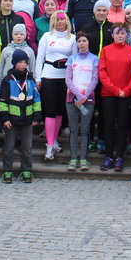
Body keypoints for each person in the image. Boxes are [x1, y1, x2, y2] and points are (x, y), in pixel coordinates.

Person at [34, 9, 77, 160]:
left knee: (60, 111)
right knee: (50, 111)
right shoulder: (47, 36)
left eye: (63, 19)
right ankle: (50, 144)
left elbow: (74, 60)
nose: (60, 22)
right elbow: (39, 58)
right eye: (57, 20)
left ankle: (54, 140)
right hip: (49, 76)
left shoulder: (72, 38)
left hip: (64, 77)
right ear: (53, 21)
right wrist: (38, 78)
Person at [0, 49, 41, 184]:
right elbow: (3, 101)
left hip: (28, 118)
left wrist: (36, 116)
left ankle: (26, 169)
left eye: (25, 62)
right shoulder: (7, 80)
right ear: (14, 63)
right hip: (12, 119)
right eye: (20, 62)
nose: (23, 65)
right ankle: (7, 171)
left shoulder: (30, 79)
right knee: (9, 146)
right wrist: (5, 118)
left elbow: (36, 99)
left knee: (27, 147)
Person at [98, 25, 131, 172]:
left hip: (125, 94)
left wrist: (127, 90)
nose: (120, 36)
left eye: (123, 33)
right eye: (118, 33)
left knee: (122, 126)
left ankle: (120, 156)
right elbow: (102, 72)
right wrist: (115, 90)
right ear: (113, 35)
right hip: (108, 93)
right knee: (108, 125)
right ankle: (109, 156)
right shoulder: (106, 50)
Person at [65, 32, 99, 171]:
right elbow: (68, 78)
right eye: (79, 41)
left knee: (84, 130)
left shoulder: (94, 59)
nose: (82, 44)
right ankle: (73, 158)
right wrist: (78, 95)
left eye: (84, 41)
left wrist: (85, 95)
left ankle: (83, 159)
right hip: (72, 98)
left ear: (88, 43)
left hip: (88, 98)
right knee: (73, 129)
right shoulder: (72, 59)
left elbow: (95, 78)